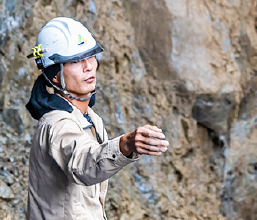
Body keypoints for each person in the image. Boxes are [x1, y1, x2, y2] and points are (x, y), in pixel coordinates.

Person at [25, 17, 169, 220]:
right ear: (55, 75)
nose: (88, 66)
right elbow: (82, 165)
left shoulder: (90, 119)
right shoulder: (56, 123)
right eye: (75, 60)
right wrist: (125, 144)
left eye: (91, 56)